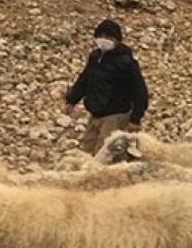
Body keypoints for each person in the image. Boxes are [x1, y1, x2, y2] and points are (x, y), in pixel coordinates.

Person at [64, 18, 150, 154]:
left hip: (115, 115)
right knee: (87, 149)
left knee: (105, 153)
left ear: (117, 39)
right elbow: (85, 79)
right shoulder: (95, 57)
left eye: (108, 37)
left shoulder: (127, 63)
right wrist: (72, 99)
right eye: (101, 36)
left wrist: (135, 118)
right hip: (95, 113)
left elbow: (140, 91)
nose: (103, 40)